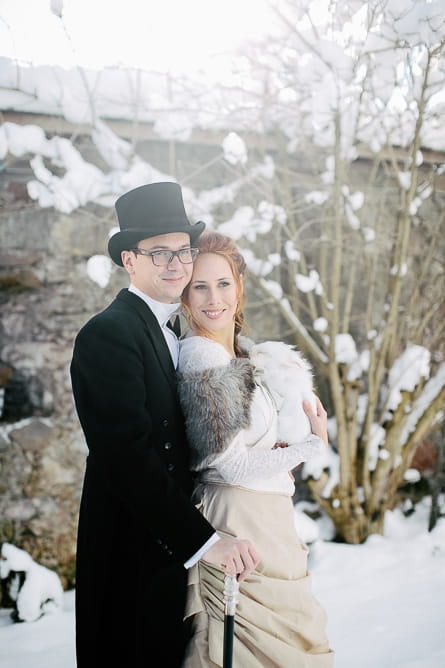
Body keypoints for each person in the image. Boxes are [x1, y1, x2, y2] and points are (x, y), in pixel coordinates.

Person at [70, 183, 259, 668]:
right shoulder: (108, 334)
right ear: (129, 260)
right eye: (159, 252)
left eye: (182, 250)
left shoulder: (175, 328)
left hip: (167, 552)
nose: (176, 263)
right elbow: (128, 456)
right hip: (129, 555)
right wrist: (205, 540)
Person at [177, 230, 335, 667]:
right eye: (199, 286)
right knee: (240, 652)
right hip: (236, 519)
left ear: (239, 286)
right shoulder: (203, 358)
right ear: (185, 296)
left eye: (223, 283)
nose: (214, 298)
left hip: (270, 522)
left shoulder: (239, 354)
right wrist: (309, 446)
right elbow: (230, 468)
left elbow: (248, 444)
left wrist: (283, 443)